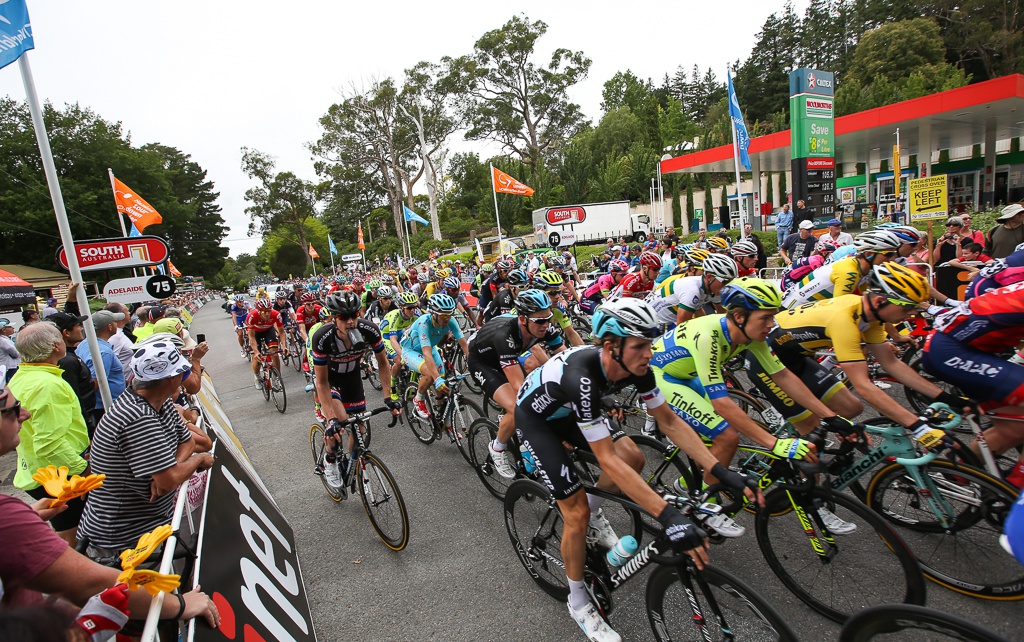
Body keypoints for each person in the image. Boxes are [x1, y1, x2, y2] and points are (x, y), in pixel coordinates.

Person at [514, 299, 755, 642]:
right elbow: (606, 459)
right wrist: (668, 515)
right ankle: (579, 602)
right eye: (641, 346)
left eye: (651, 344)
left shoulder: (640, 369)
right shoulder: (582, 376)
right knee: (576, 513)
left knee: (635, 458)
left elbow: (669, 421)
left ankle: (597, 518)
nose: (650, 354)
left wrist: (720, 469)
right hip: (538, 420)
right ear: (611, 347)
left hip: (570, 410)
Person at [0, 370, 221, 626]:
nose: (25, 415)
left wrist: (27, 516)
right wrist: (181, 604)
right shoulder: (135, 415)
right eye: (13, 409)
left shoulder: (154, 405)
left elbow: (190, 445)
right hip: (117, 542)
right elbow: (89, 583)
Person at [651, 278, 854, 536]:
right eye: (766, 318)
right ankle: (706, 504)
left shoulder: (750, 334)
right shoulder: (711, 336)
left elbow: (782, 375)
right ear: (738, 317)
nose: (772, 324)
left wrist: (830, 416)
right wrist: (773, 443)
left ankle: (686, 484)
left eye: (773, 317)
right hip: (662, 376)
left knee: (720, 435)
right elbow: (722, 403)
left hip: (686, 373)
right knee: (727, 437)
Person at [751, 263, 969, 446]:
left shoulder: (870, 316)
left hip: (796, 358)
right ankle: (797, 485)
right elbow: (863, 386)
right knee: (811, 438)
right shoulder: (845, 320)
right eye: (907, 307)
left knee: (851, 408)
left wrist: (945, 397)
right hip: (766, 364)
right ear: (879, 301)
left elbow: (892, 364)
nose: (912, 313)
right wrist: (917, 426)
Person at [77, 340, 214, 562]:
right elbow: (169, 480)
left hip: (146, 527)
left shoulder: (159, 401)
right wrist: (198, 461)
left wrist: (174, 466)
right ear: (171, 379)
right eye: (182, 372)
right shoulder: (137, 417)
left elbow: (187, 442)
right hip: (122, 541)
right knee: (152, 595)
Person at [922, 280, 1024, 480]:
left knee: (1013, 430)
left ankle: (961, 475)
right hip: (951, 350)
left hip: (966, 347)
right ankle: (1016, 496)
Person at [7, 322, 90, 545]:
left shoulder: (20, 377)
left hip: (38, 471)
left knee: (69, 533)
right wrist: (84, 470)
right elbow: (49, 443)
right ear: (56, 346)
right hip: (60, 475)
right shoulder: (47, 384)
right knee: (72, 538)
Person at [470, 289, 566, 478]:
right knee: (519, 405)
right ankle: (497, 447)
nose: (546, 325)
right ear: (523, 319)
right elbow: (520, 389)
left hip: (508, 357)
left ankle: (520, 432)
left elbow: (567, 360)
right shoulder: (504, 335)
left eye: (548, 318)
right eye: (540, 321)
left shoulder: (544, 328)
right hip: (483, 361)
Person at [311, 291, 400, 489]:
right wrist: (331, 418)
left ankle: (354, 465)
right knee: (339, 425)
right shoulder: (322, 337)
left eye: (355, 315)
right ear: (334, 319)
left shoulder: (369, 329)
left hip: (352, 378)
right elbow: (322, 382)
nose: (351, 321)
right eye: (344, 317)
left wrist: (388, 397)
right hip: (330, 380)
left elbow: (383, 363)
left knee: (359, 428)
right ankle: (330, 458)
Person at [781, 229, 902, 308]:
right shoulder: (849, 272)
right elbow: (840, 309)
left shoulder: (861, 269)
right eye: (889, 254)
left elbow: (868, 299)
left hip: (807, 305)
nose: (892, 259)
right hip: (794, 307)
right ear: (869, 254)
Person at [401, 293, 469, 419]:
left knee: (442, 378)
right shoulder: (424, 323)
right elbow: (426, 353)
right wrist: (436, 378)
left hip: (429, 348)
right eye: (443, 315)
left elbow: (464, 344)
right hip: (411, 351)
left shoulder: (450, 320)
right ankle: (418, 399)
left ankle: (442, 417)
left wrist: (475, 364)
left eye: (450, 314)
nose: (447, 319)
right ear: (434, 313)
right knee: (431, 374)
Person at [648, 253, 738, 328]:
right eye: (725, 281)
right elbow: (681, 329)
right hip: (652, 322)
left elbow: (722, 316)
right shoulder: (691, 290)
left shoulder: (711, 288)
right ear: (709, 277)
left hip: (669, 321)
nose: (728, 286)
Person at [75, 310, 126, 428]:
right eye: (114, 322)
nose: (117, 324)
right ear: (109, 326)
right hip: (105, 407)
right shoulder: (103, 352)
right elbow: (96, 382)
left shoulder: (85, 344)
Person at [48, 312, 97, 435]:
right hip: (81, 423)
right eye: (77, 326)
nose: (81, 328)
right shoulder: (66, 361)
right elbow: (74, 398)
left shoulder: (67, 356)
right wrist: (89, 430)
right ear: (66, 333)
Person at [245, 298, 288, 386]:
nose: (267, 314)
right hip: (256, 333)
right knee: (257, 359)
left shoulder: (276, 314)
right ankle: (257, 376)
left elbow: (282, 332)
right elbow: (251, 336)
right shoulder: (252, 316)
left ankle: (277, 377)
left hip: (269, 331)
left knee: (275, 354)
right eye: (264, 312)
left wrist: (284, 346)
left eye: (269, 311)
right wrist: (256, 352)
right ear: (259, 311)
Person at [102, 302, 135, 373]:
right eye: (127, 310)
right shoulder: (115, 336)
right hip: (122, 382)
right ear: (120, 314)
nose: (129, 313)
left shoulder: (119, 333)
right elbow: (110, 362)